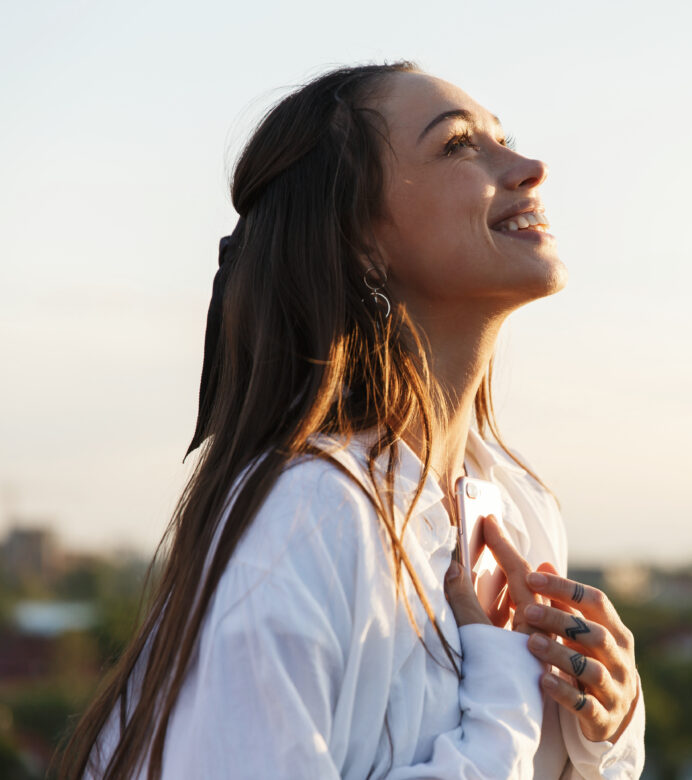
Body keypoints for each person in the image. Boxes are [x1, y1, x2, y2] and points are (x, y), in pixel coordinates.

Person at [54, 61, 644, 779]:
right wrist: (506, 705)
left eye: (503, 138)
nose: (531, 168)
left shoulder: (522, 509)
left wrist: (607, 726)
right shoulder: (307, 515)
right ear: (362, 236)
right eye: (459, 145)